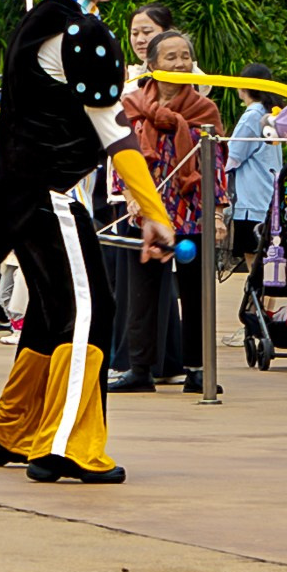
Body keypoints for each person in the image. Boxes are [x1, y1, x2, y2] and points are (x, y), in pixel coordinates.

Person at [0, 0, 173, 484]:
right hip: (50, 194)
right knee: (90, 310)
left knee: (51, 310)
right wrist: (154, 211)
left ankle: (10, 431)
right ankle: (65, 446)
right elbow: (114, 131)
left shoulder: (46, 20)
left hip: (26, 194)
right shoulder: (82, 30)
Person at [108, 31, 223, 394]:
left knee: (196, 292)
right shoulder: (132, 106)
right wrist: (128, 193)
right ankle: (140, 368)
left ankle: (199, 368)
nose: (180, 64)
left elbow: (216, 165)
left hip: (192, 210)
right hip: (148, 212)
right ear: (152, 66)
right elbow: (121, 155)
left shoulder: (205, 110)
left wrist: (217, 213)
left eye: (185, 56)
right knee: (142, 293)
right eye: (171, 57)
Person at [225, 64, 283, 267]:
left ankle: (257, 300)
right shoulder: (272, 113)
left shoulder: (252, 116)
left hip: (251, 200)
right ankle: (264, 300)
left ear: (243, 87)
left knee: (255, 262)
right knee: (269, 263)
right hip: (268, 195)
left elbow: (232, 156)